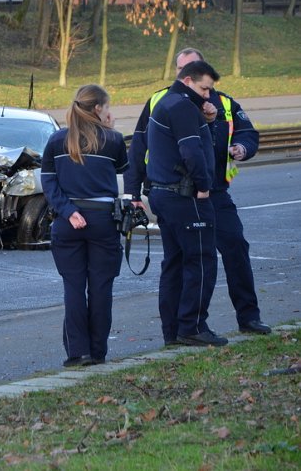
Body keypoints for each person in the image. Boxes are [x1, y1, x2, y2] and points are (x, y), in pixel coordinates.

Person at [124, 49, 271, 340]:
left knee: (235, 250)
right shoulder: (164, 101)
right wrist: (132, 191)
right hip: (184, 193)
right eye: (183, 69)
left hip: (215, 192)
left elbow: (247, 132)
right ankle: (180, 330)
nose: (189, 77)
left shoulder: (222, 101)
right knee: (184, 261)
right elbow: (139, 147)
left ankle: (248, 317)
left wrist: (242, 147)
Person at [41, 85, 128, 367]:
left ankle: (78, 352)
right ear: (99, 109)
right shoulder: (112, 140)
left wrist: (68, 211)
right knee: (101, 287)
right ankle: (99, 351)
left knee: (74, 287)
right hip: (103, 219)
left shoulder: (56, 141)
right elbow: (124, 172)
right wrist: (112, 129)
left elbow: (49, 182)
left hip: (68, 223)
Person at [145, 60, 226, 347]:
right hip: (186, 196)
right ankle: (192, 326)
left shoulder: (166, 103)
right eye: (205, 88)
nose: (208, 95)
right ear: (188, 80)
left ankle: (173, 331)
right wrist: (204, 187)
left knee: (175, 263)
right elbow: (191, 151)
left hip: (164, 194)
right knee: (201, 261)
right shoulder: (182, 107)